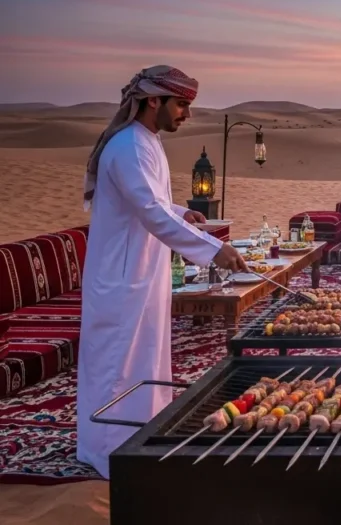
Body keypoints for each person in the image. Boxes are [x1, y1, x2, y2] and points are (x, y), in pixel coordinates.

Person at [77, 66, 248, 479]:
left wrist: (180, 211)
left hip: (140, 275)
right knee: (117, 366)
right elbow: (149, 211)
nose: (186, 114)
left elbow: (150, 203)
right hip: (121, 280)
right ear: (154, 100)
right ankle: (107, 455)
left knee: (144, 359)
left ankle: (139, 440)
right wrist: (213, 249)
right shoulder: (128, 147)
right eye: (182, 105)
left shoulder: (145, 141)